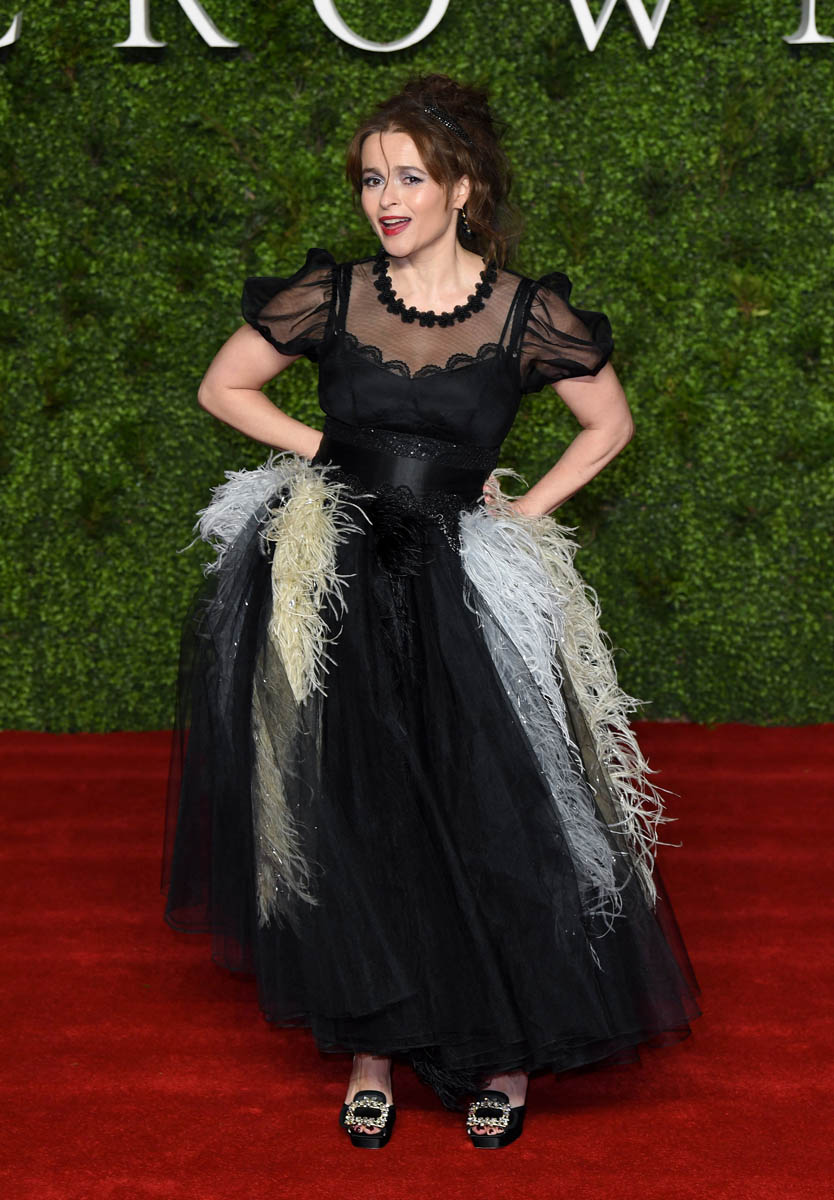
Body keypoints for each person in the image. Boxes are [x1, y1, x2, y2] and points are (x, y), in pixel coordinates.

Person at [162, 73, 702, 1149]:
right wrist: (336, 452)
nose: (386, 200)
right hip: (338, 576)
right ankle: (374, 1046)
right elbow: (225, 387)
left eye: (409, 178)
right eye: (371, 180)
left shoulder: (525, 313)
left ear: (462, 189)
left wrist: (523, 513)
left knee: (489, 804)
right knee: (355, 806)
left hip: (462, 588)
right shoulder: (333, 295)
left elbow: (608, 424)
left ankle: (504, 1052)